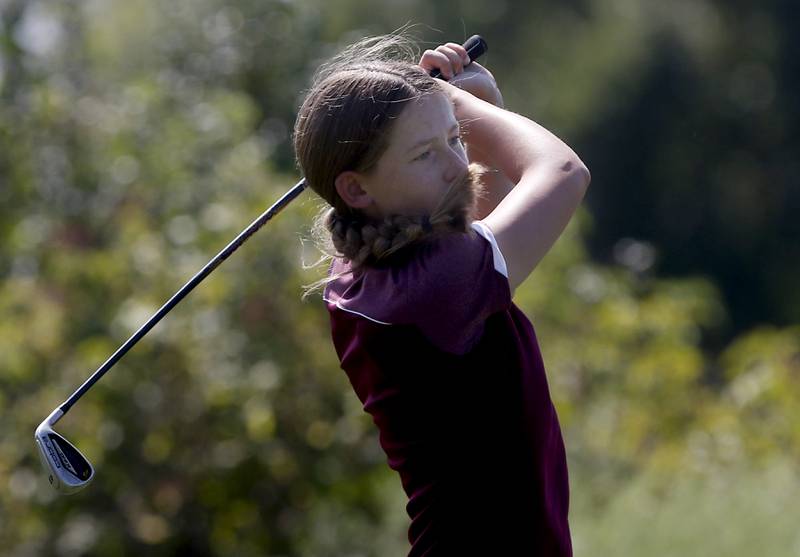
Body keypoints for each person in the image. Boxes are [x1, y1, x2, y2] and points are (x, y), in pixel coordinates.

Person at [294, 34, 590, 556]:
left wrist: (452, 115)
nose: (457, 165)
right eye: (424, 154)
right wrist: (460, 105)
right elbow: (563, 172)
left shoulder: (362, 271)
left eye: (456, 141)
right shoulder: (437, 282)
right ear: (357, 189)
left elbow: (489, 222)